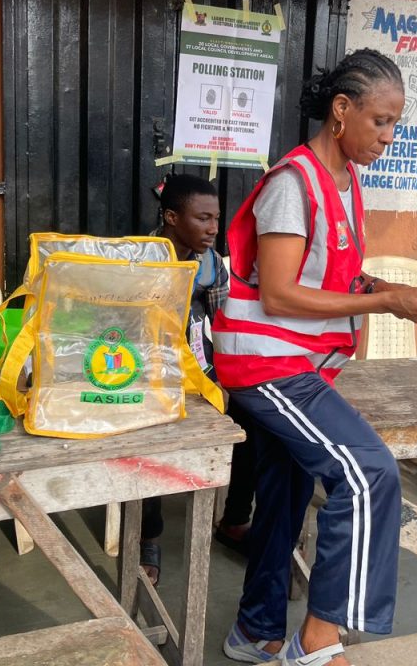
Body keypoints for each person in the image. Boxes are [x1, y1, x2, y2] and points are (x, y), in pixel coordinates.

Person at [212, 49, 417, 666]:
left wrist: (381, 288)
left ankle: (255, 631)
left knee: (286, 491)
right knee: (369, 474)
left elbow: (334, 273)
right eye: (380, 121)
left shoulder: (345, 182)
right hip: (267, 366)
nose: (389, 137)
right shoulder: (293, 184)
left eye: (395, 124)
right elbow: (279, 292)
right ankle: (318, 638)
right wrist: (384, 302)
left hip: (303, 366)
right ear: (341, 110)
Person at [139, 173, 237, 585]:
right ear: (171, 217)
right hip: (148, 366)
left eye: (216, 218)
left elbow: (222, 321)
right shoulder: (141, 259)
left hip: (198, 365)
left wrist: (229, 377)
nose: (213, 228)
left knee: (252, 420)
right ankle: (148, 535)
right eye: (202, 218)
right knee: (148, 439)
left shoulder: (210, 264)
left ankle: (235, 519)